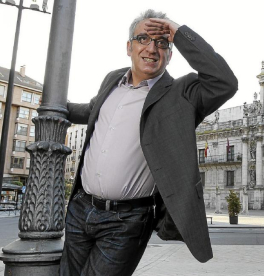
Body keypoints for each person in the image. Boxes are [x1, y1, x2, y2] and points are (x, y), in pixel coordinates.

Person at [59, 9, 238, 276]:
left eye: (162, 42)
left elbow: (224, 82)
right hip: (80, 208)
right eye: (143, 39)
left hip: (126, 220)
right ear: (129, 47)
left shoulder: (182, 94)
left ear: (171, 52)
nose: (152, 48)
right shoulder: (112, 80)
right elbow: (92, 110)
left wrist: (178, 32)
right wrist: (53, 107)